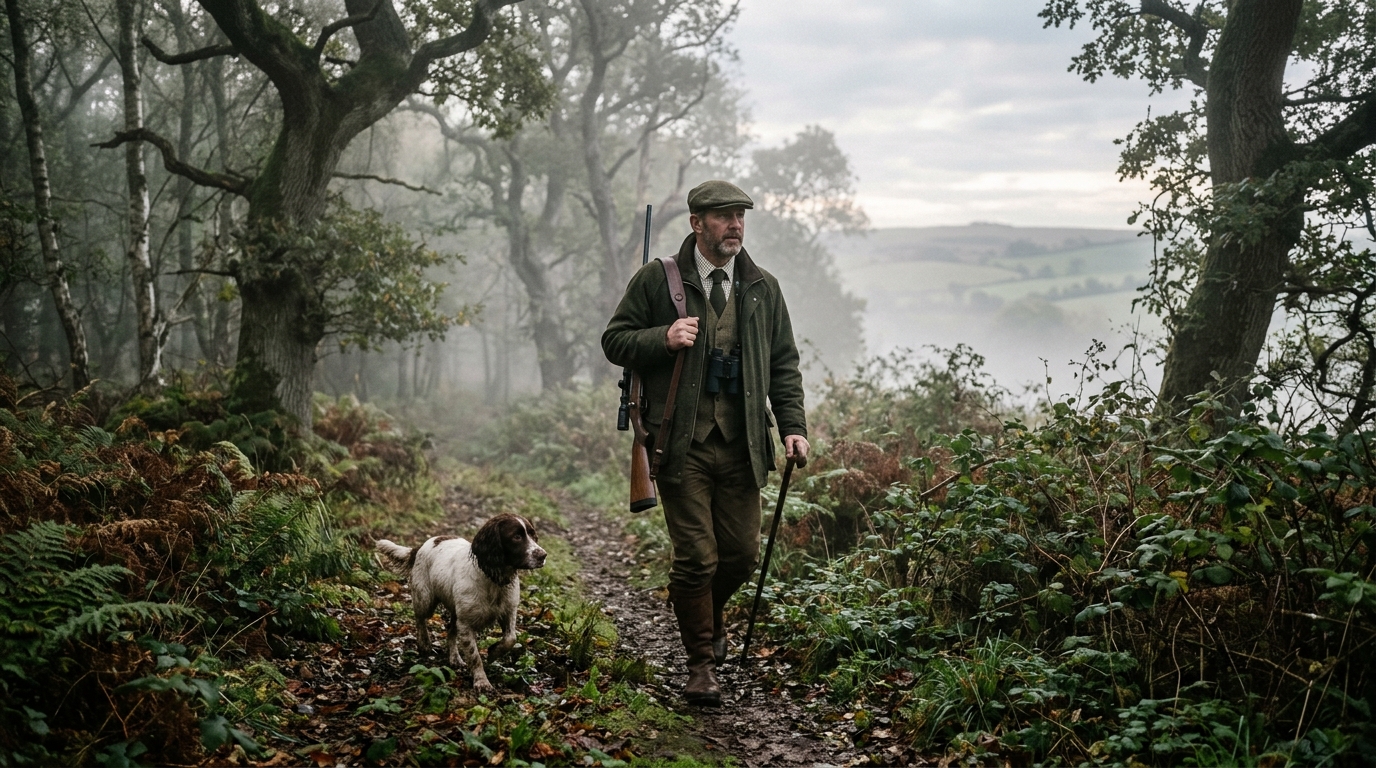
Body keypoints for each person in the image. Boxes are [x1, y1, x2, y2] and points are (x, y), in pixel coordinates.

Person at [602, 179, 810, 705]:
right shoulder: (658, 281)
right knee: (697, 559)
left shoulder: (763, 287)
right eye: (723, 216)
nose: (735, 224)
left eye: (740, 215)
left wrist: (793, 427)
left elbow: (784, 364)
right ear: (697, 224)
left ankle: (709, 616)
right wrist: (662, 338)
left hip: (743, 445)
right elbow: (614, 339)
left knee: (737, 558)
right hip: (681, 443)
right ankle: (700, 663)